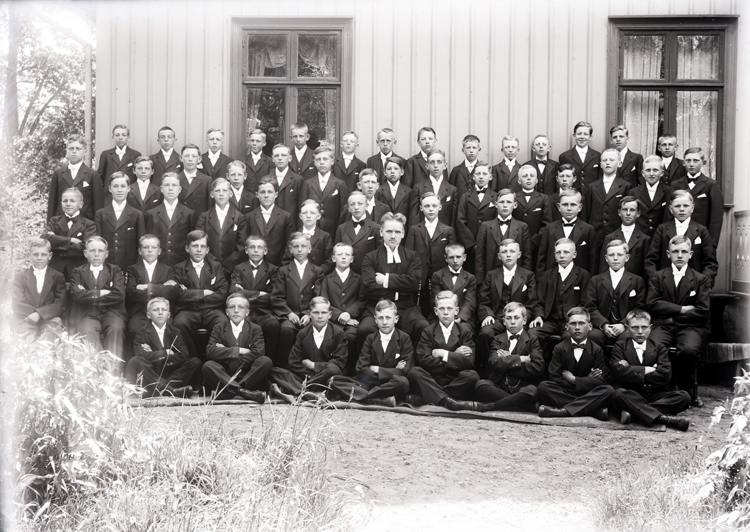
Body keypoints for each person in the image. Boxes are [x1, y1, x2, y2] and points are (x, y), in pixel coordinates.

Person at [647, 235, 711, 407]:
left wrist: (671, 317)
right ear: (668, 254)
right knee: (654, 346)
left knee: (689, 349)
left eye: (684, 251)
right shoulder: (658, 277)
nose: (680, 255)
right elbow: (652, 304)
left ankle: (686, 387)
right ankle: (661, 387)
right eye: (675, 251)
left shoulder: (700, 279)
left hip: (692, 327)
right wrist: (681, 309)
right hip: (664, 326)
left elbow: (702, 311)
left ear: (691, 254)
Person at [609, 310, 691, 431]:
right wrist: (648, 369)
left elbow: (664, 375)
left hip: (653, 394)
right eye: (635, 327)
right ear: (627, 329)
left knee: (684, 397)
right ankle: (663, 418)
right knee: (618, 394)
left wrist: (631, 370)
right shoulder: (620, 346)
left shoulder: (659, 347)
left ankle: (634, 413)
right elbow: (618, 372)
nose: (640, 331)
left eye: (644, 327)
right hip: (631, 394)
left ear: (650, 328)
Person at [358, 213, 429, 349]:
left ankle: (413, 361)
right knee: (365, 329)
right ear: (381, 232)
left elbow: (414, 283)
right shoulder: (370, 257)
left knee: (422, 326)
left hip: (406, 308)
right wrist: (400, 288)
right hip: (377, 306)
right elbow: (368, 287)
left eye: (397, 232)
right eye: (389, 231)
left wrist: (385, 280)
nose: (393, 236)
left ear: (403, 234)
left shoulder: (412, 256)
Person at [329, 299, 412, 407]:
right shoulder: (370, 338)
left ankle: (364, 396)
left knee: (403, 382)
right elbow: (361, 368)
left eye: (388, 317)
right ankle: (377, 398)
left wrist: (378, 370)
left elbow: (405, 370)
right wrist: (392, 371)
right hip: (369, 383)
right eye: (380, 318)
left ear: (396, 319)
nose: (384, 322)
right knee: (334, 380)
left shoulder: (404, 339)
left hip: (391, 383)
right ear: (375, 320)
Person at [408, 292, 481, 411]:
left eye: (449, 308)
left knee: (472, 376)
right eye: (441, 309)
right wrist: (455, 356)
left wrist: (444, 354)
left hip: (454, 380)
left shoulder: (465, 332)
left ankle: (430, 396)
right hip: (433, 378)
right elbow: (424, 360)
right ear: (436, 311)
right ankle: (448, 401)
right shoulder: (428, 331)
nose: (445, 312)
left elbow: (468, 362)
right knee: (414, 372)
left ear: (456, 311)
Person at [536, 307, 614, 420]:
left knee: (608, 390)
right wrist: (587, 380)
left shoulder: (596, 349)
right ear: (567, 327)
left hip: (588, 393)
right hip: (567, 392)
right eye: (573, 324)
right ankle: (592, 410)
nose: (577, 327)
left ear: (590, 326)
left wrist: (574, 380)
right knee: (543, 387)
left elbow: (601, 380)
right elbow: (554, 377)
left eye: (581, 323)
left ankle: (562, 411)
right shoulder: (559, 348)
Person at [268, 297, 348, 402]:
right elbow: (294, 362)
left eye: (324, 313)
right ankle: (310, 392)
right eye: (316, 312)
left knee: (333, 370)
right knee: (274, 371)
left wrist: (314, 366)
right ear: (309, 314)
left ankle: (302, 390)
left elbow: (339, 362)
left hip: (328, 376)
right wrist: (310, 375)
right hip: (307, 375)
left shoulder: (338, 333)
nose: (320, 316)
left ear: (330, 314)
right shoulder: (303, 333)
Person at [477, 239, 537, 373]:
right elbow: (483, 300)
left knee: (528, 336)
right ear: (499, 256)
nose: (508, 255)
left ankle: (519, 372)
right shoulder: (491, 275)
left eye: (512, 251)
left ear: (519, 254)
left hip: (519, 319)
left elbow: (532, 302)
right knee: (486, 333)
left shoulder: (528, 275)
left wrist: (522, 319)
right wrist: (488, 315)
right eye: (504, 252)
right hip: (498, 318)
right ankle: (488, 372)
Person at [168, 230, 229, 358]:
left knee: (223, 322)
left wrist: (191, 295)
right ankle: (191, 358)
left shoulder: (216, 267)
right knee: (179, 323)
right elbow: (177, 294)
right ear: (187, 248)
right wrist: (203, 293)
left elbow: (222, 293)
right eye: (195, 246)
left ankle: (214, 358)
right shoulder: (179, 268)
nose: (199, 250)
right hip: (188, 310)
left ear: (207, 250)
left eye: (202, 246)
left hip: (212, 310)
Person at [474, 302, 544, 412]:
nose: (512, 322)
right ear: (504, 321)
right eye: (509, 318)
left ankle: (492, 406)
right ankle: (522, 404)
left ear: (524, 320)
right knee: (481, 384)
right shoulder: (497, 339)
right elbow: (493, 362)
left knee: (532, 390)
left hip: (521, 386)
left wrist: (507, 361)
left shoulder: (532, 340)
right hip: (500, 386)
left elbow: (537, 367)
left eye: (516, 318)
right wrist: (520, 359)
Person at [125, 297, 200, 398]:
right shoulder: (142, 332)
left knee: (195, 362)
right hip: (152, 372)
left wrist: (154, 354)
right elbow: (140, 354)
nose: (160, 313)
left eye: (164, 310)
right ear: (148, 315)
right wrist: (165, 353)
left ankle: (161, 389)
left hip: (169, 372)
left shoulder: (175, 332)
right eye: (155, 310)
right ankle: (170, 391)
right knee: (136, 361)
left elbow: (184, 354)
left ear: (168, 315)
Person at [203, 293, 271, 403]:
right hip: (225, 375)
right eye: (231, 307)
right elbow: (210, 351)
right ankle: (243, 392)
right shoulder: (219, 328)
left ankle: (230, 391)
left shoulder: (255, 329)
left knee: (265, 361)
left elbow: (258, 353)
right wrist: (239, 350)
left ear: (247, 312)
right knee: (208, 365)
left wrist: (226, 353)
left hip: (248, 374)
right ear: (226, 312)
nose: (236, 311)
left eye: (241, 307)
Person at [68, 236, 127, 360]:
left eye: (100, 251)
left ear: (106, 254)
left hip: (112, 311)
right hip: (86, 313)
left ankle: (112, 368)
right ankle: (98, 367)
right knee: (87, 330)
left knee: (116, 328)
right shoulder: (77, 272)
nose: (96, 254)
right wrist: (101, 293)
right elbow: (77, 295)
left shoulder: (115, 270)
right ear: (85, 253)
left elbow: (119, 295)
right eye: (92, 251)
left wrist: (88, 294)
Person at [272, 232, 325, 369]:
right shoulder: (283, 271)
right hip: (289, 314)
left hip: (309, 315)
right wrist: (289, 313)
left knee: (311, 331)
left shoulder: (317, 271)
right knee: (286, 331)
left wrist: (309, 314)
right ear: (290, 249)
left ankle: (306, 368)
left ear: (309, 248)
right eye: (296, 246)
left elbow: (318, 296)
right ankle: (284, 367)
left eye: (303, 246)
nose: (300, 250)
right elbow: (277, 297)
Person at [644, 190, 719, 287]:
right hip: (665, 286)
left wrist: (703, 285)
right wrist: (657, 283)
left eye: (686, 206)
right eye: (677, 206)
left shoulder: (701, 231)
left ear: (692, 208)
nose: (682, 209)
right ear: (671, 209)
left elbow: (710, 263)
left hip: (694, 286)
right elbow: (651, 260)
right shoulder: (662, 230)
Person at [528, 238, 591, 349]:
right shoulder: (547, 275)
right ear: (554, 255)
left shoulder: (583, 275)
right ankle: (540, 359)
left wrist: (574, 320)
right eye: (558, 252)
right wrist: (538, 316)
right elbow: (539, 301)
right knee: (533, 333)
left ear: (574, 254)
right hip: (550, 321)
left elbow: (585, 303)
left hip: (572, 321)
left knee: (570, 336)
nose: (562, 256)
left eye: (566, 252)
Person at [585, 239, 647, 348]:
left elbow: (639, 308)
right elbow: (590, 307)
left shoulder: (637, 280)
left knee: (627, 337)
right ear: (606, 258)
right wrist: (604, 325)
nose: (615, 258)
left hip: (625, 326)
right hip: (602, 326)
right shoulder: (596, 280)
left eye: (619, 255)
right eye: (611, 255)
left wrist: (624, 324)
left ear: (627, 257)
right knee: (594, 336)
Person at [230, 235, 282, 358]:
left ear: (265, 251)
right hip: (244, 312)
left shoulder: (273, 270)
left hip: (264, 312)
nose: (256, 250)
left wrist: (245, 294)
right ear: (246, 250)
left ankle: (269, 360)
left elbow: (273, 296)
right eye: (252, 247)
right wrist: (258, 294)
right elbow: (234, 292)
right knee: (240, 324)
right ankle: (244, 360)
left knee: (273, 325)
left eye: (260, 247)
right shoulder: (239, 269)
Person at [405, 192, 456, 315]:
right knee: (421, 306)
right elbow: (409, 255)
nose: (431, 209)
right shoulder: (414, 229)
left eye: (434, 205)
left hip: (440, 276)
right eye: (427, 206)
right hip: (420, 277)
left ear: (440, 207)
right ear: (421, 208)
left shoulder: (448, 230)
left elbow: (451, 254)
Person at [321, 243, 363, 375]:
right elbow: (324, 301)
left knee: (351, 337)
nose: (343, 257)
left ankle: (350, 372)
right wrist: (339, 315)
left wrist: (349, 313)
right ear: (333, 258)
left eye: (347, 254)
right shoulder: (327, 279)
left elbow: (362, 300)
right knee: (330, 337)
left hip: (352, 321)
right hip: (333, 321)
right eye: (340, 254)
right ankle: (332, 371)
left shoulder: (359, 278)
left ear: (352, 259)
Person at [12, 238, 66, 341]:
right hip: (25, 318)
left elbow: (60, 304)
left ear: (50, 256)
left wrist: (39, 314)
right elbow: (17, 303)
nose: (39, 258)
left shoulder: (58, 277)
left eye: (43, 254)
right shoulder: (20, 276)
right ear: (30, 255)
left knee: (48, 338)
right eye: (35, 254)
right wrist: (33, 315)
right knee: (27, 338)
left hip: (50, 319)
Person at [125, 234, 179, 336]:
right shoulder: (132, 269)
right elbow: (132, 293)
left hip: (162, 311)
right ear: (140, 251)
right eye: (146, 247)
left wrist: (148, 287)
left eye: (154, 247)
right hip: (140, 311)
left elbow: (173, 292)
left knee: (168, 330)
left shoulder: (168, 270)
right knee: (134, 329)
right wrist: (162, 288)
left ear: (159, 251)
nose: (150, 250)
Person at [475, 188, 532, 284]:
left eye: (509, 202)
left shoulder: (522, 227)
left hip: (516, 281)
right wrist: (481, 282)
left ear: (515, 205)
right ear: (496, 204)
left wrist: (525, 281)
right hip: (491, 280)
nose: (505, 205)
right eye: (502, 202)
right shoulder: (486, 226)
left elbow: (527, 257)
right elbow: (480, 257)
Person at [583, 149, 632, 258]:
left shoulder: (626, 186)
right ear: (601, 164)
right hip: (596, 235)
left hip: (616, 234)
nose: (608, 163)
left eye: (612, 160)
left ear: (619, 163)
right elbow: (587, 212)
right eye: (605, 160)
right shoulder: (592, 187)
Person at [536, 189, 597, 276]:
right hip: (553, 279)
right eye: (565, 204)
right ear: (558, 207)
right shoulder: (549, 228)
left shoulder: (588, 229)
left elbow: (593, 260)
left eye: (573, 205)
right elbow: (542, 258)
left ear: (580, 207)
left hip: (580, 279)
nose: (569, 208)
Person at [196, 177, 248, 274]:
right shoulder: (204, 217)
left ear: (231, 194)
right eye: (217, 191)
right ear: (212, 194)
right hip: (209, 268)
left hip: (232, 269)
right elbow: (200, 243)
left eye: (224, 190)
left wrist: (227, 267)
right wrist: (214, 265)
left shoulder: (239, 218)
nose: (221, 194)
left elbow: (241, 246)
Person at [43, 187, 97, 281]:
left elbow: (85, 247)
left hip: (78, 269)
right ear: (61, 203)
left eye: (72, 201)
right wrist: (70, 240)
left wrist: (56, 243)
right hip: (55, 268)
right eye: (65, 201)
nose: (68, 204)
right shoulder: (54, 221)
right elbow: (44, 239)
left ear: (81, 204)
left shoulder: (89, 224)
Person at [95, 172, 146, 271]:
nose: (119, 190)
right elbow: (98, 243)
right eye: (115, 186)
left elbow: (141, 245)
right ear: (110, 189)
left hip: (129, 267)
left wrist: (137, 270)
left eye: (123, 186)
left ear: (128, 188)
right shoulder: (100, 214)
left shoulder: (137, 214)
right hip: (106, 266)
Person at [671, 147, 724, 240]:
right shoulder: (675, 184)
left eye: (695, 161)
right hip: (678, 237)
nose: (691, 164)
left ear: (703, 163)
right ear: (683, 163)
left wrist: (712, 243)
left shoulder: (711, 185)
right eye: (688, 160)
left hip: (701, 236)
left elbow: (716, 217)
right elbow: (670, 213)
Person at [47, 134, 103, 222]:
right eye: (71, 148)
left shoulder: (92, 174)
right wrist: (50, 226)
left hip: (85, 223)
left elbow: (98, 205)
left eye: (78, 148)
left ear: (85, 151)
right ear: (67, 150)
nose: (74, 151)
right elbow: (52, 204)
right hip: (61, 222)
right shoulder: (58, 174)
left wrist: (96, 227)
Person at [144, 173, 196, 267]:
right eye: (167, 185)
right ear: (161, 189)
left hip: (181, 265)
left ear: (179, 189)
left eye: (174, 185)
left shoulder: (189, 214)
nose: (170, 189)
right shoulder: (151, 214)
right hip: (159, 265)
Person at [455, 161, 496, 274]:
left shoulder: (496, 197)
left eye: (484, 174)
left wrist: (488, 242)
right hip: (469, 247)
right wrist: (472, 245)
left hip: (489, 245)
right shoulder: (465, 197)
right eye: (478, 174)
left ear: (490, 177)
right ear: (473, 177)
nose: (481, 177)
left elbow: (496, 221)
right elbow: (460, 221)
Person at [300, 145, 350, 236]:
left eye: (325, 159)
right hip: (312, 231)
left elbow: (344, 212)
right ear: (314, 162)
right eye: (318, 159)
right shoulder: (307, 184)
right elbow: (302, 208)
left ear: (332, 161)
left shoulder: (340, 184)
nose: (322, 162)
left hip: (333, 231)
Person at [245, 177, 295, 266]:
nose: (266, 195)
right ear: (257, 194)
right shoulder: (249, 217)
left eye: (270, 192)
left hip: (279, 265)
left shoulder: (285, 217)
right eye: (262, 192)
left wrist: (283, 265)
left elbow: (289, 244)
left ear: (276, 194)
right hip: (255, 265)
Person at [430, 243, 477, 332]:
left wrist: (459, 318)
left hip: (463, 318)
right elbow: (435, 300)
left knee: (464, 330)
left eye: (458, 257)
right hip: (441, 316)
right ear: (446, 258)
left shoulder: (470, 278)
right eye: (451, 257)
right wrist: (446, 317)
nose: (455, 261)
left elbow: (470, 302)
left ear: (464, 257)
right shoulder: (437, 276)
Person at [599, 196, 650, 277]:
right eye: (625, 209)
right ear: (619, 212)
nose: (628, 213)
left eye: (632, 210)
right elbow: (603, 267)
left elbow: (646, 268)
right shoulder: (610, 238)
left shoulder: (644, 239)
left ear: (638, 213)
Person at [334, 190, 382, 274]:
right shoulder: (341, 228)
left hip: (367, 273)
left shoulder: (376, 228)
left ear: (366, 206)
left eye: (360, 204)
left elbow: (379, 255)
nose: (356, 207)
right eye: (352, 204)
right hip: (347, 274)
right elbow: (337, 252)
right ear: (348, 208)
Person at [512, 164, 554, 262]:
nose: (529, 178)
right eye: (525, 176)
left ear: (536, 180)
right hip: (516, 242)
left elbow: (547, 224)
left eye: (532, 176)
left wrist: (533, 241)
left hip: (536, 245)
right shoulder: (513, 198)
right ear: (519, 181)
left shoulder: (544, 198)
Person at [284, 199, 333, 273]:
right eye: (305, 213)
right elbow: (286, 260)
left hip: (317, 276)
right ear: (300, 216)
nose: (308, 216)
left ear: (318, 216)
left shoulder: (325, 236)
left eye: (312, 213)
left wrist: (316, 274)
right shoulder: (293, 236)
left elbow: (329, 262)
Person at [631, 155, 674, 237]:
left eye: (655, 170)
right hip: (639, 237)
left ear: (661, 173)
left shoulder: (669, 191)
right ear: (643, 173)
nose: (651, 174)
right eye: (648, 170)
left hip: (661, 236)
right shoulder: (633, 192)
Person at [412, 150, 457, 226]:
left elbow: (454, 218)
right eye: (432, 162)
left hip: (445, 231)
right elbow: (414, 217)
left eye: (439, 162)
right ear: (427, 166)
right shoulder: (418, 188)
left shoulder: (452, 190)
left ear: (445, 165)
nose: (436, 166)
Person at [376, 155, 419, 225]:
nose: (392, 171)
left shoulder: (409, 192)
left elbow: (412, 216)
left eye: (396, 169)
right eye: (389, 169)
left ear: (402, 172)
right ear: (384, 172)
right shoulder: (378, 191)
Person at [558, 121, 602, 187]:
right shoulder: (565, 156)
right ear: (574, 136)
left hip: (592, 192)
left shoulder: (598, 156)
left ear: (590, 137)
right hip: (572, 192)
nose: (582, 137)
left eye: (585, 134)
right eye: (579, 134)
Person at [268, 143, 304, 219]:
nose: (280, 158)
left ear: (290, 158)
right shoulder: (267, 179)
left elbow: (301, 207)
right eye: (276, 155)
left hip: (291, 222)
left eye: (283, 155)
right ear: (272, 159)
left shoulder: (298, 180)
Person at [178, 144, 213, 214]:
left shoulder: (207, 180)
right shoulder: (175, 179)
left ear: (199, 159)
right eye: (187, 156)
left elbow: (210, 206)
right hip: (180, 219)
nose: (190, 159)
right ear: (181, 158)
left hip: (199, 219)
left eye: (194, 156)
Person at [449, 134, 482, 199]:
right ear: (463, 150)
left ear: (479, 150)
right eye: (468, 148)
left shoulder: (483, 170)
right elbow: (451, 192)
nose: (471, 151)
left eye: (474, 148)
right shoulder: (456, 170)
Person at [245, 129, 273, 193]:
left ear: (264, 143)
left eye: (258, 141)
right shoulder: (242, 160)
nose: (254, 143)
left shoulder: (270, 162)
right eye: (252, 140)